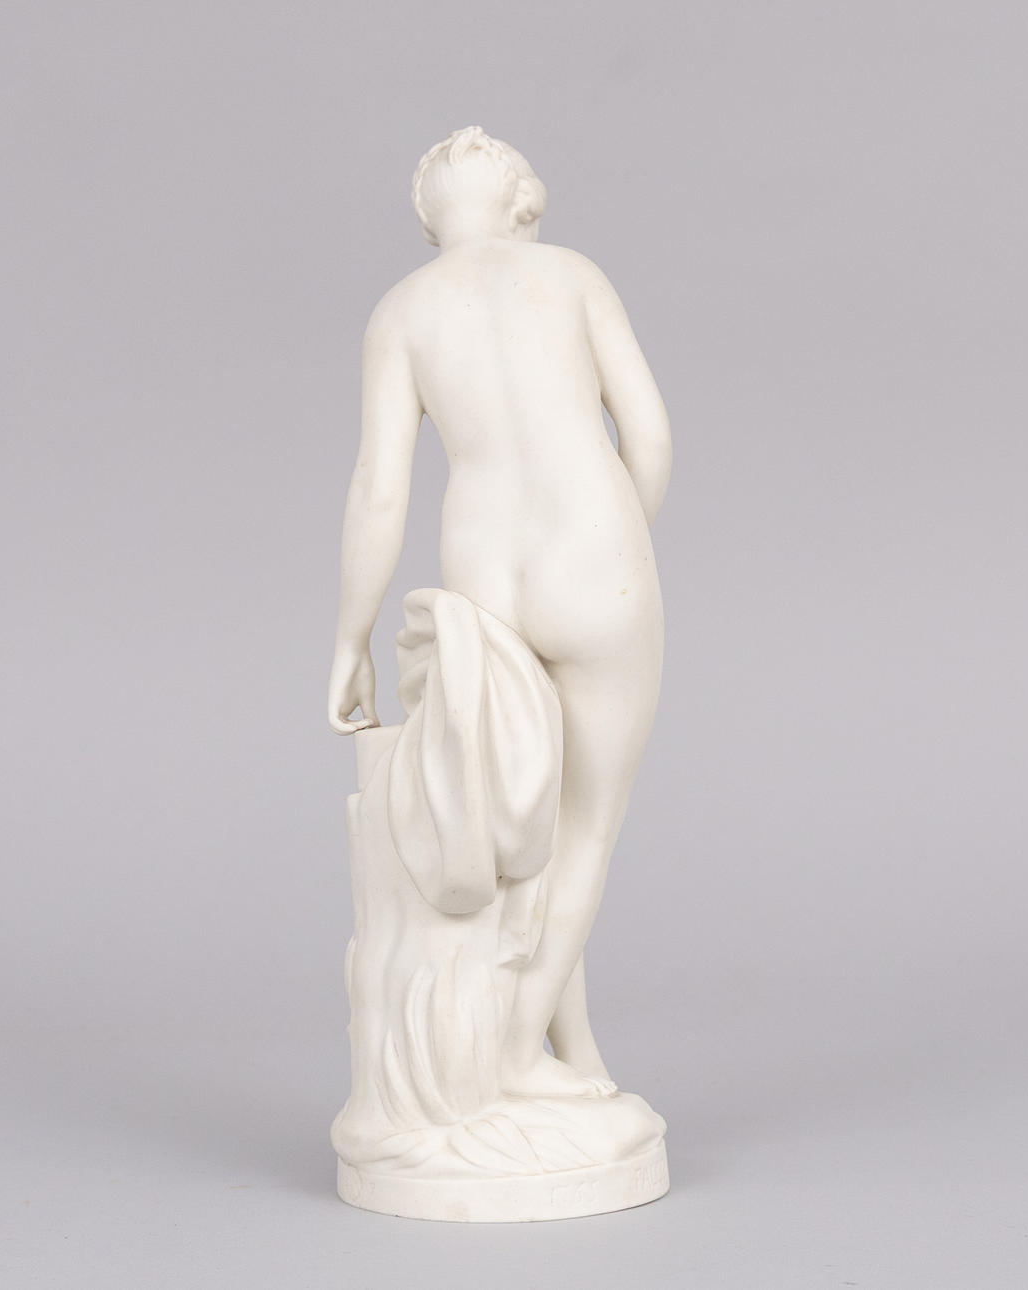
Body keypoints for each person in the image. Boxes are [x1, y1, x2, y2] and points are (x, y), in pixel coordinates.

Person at [327, 127, 671, 1100]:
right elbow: (649, 434)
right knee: (583, 830)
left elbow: (379, 491)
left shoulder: (401, 311)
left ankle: (575, 1054)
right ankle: (518, 1053)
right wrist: (622, 548)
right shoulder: (571, 275)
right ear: (522, 200)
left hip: (482, 580)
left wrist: (351, 638)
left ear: (429, 217)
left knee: (523, 833)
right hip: (593, 559)